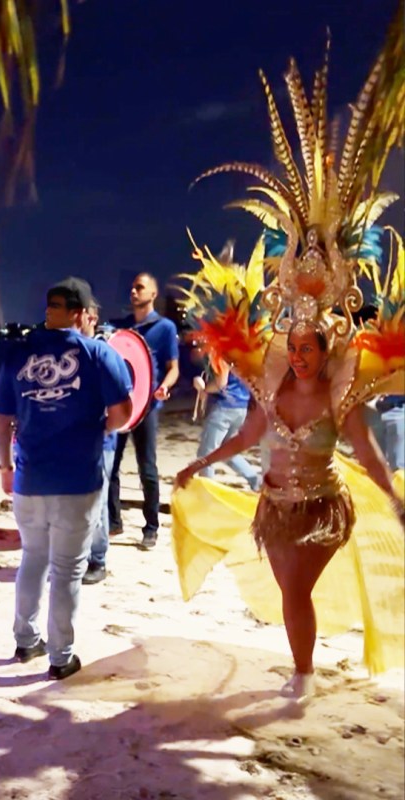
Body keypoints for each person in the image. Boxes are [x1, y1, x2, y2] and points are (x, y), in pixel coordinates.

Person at [172, 21, 405, 701]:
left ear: (327, 348)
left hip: (323, 511)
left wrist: (392, 497)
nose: (300, 356)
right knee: (285, 590)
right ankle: (302, 658)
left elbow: (366, 452)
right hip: (272, 506)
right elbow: (248, 437)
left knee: (296, 591)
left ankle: (301, 673)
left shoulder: (342, 394)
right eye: (294, 347)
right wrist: (200, 463)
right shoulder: (268, 383)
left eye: (310, 348)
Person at [0, 277, 132, 680]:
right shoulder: (97, 353)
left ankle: (25, 639)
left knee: (33, 558)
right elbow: (123, 411)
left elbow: (0, 417)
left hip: (30, 478)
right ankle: (60, 656)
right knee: (68, 569)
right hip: (77, 479)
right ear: (79, 313)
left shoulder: (19, 352)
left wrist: (5, 467)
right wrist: (98, 427)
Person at [108, 272, 179, 549]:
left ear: (153, 294)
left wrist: (164, 387)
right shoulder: (123, 329)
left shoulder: (164, 328)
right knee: (111, 465)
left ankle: (151, 527)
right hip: (122, 404)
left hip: (147, 407)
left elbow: (174, 368)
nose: (134, 292)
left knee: (146, 467)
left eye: (140, 287)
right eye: (132, 287)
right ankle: (114, 522)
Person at [80, 299, 118, 584]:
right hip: (72, 438)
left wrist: (105, 427)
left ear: (91, 317)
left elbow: (122, 397)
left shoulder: (105, 352)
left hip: (100, 440)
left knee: (97, 501)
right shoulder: (70, 351)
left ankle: (98, 559)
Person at [192, 362, 261, 490]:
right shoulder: (242, 353)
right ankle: (255, 480)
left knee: (206, 454)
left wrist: (204, 388)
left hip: (224, 407)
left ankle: (207, 492)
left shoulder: (223, 355)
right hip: (241, 406)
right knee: (228, 450)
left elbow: (220, 383)